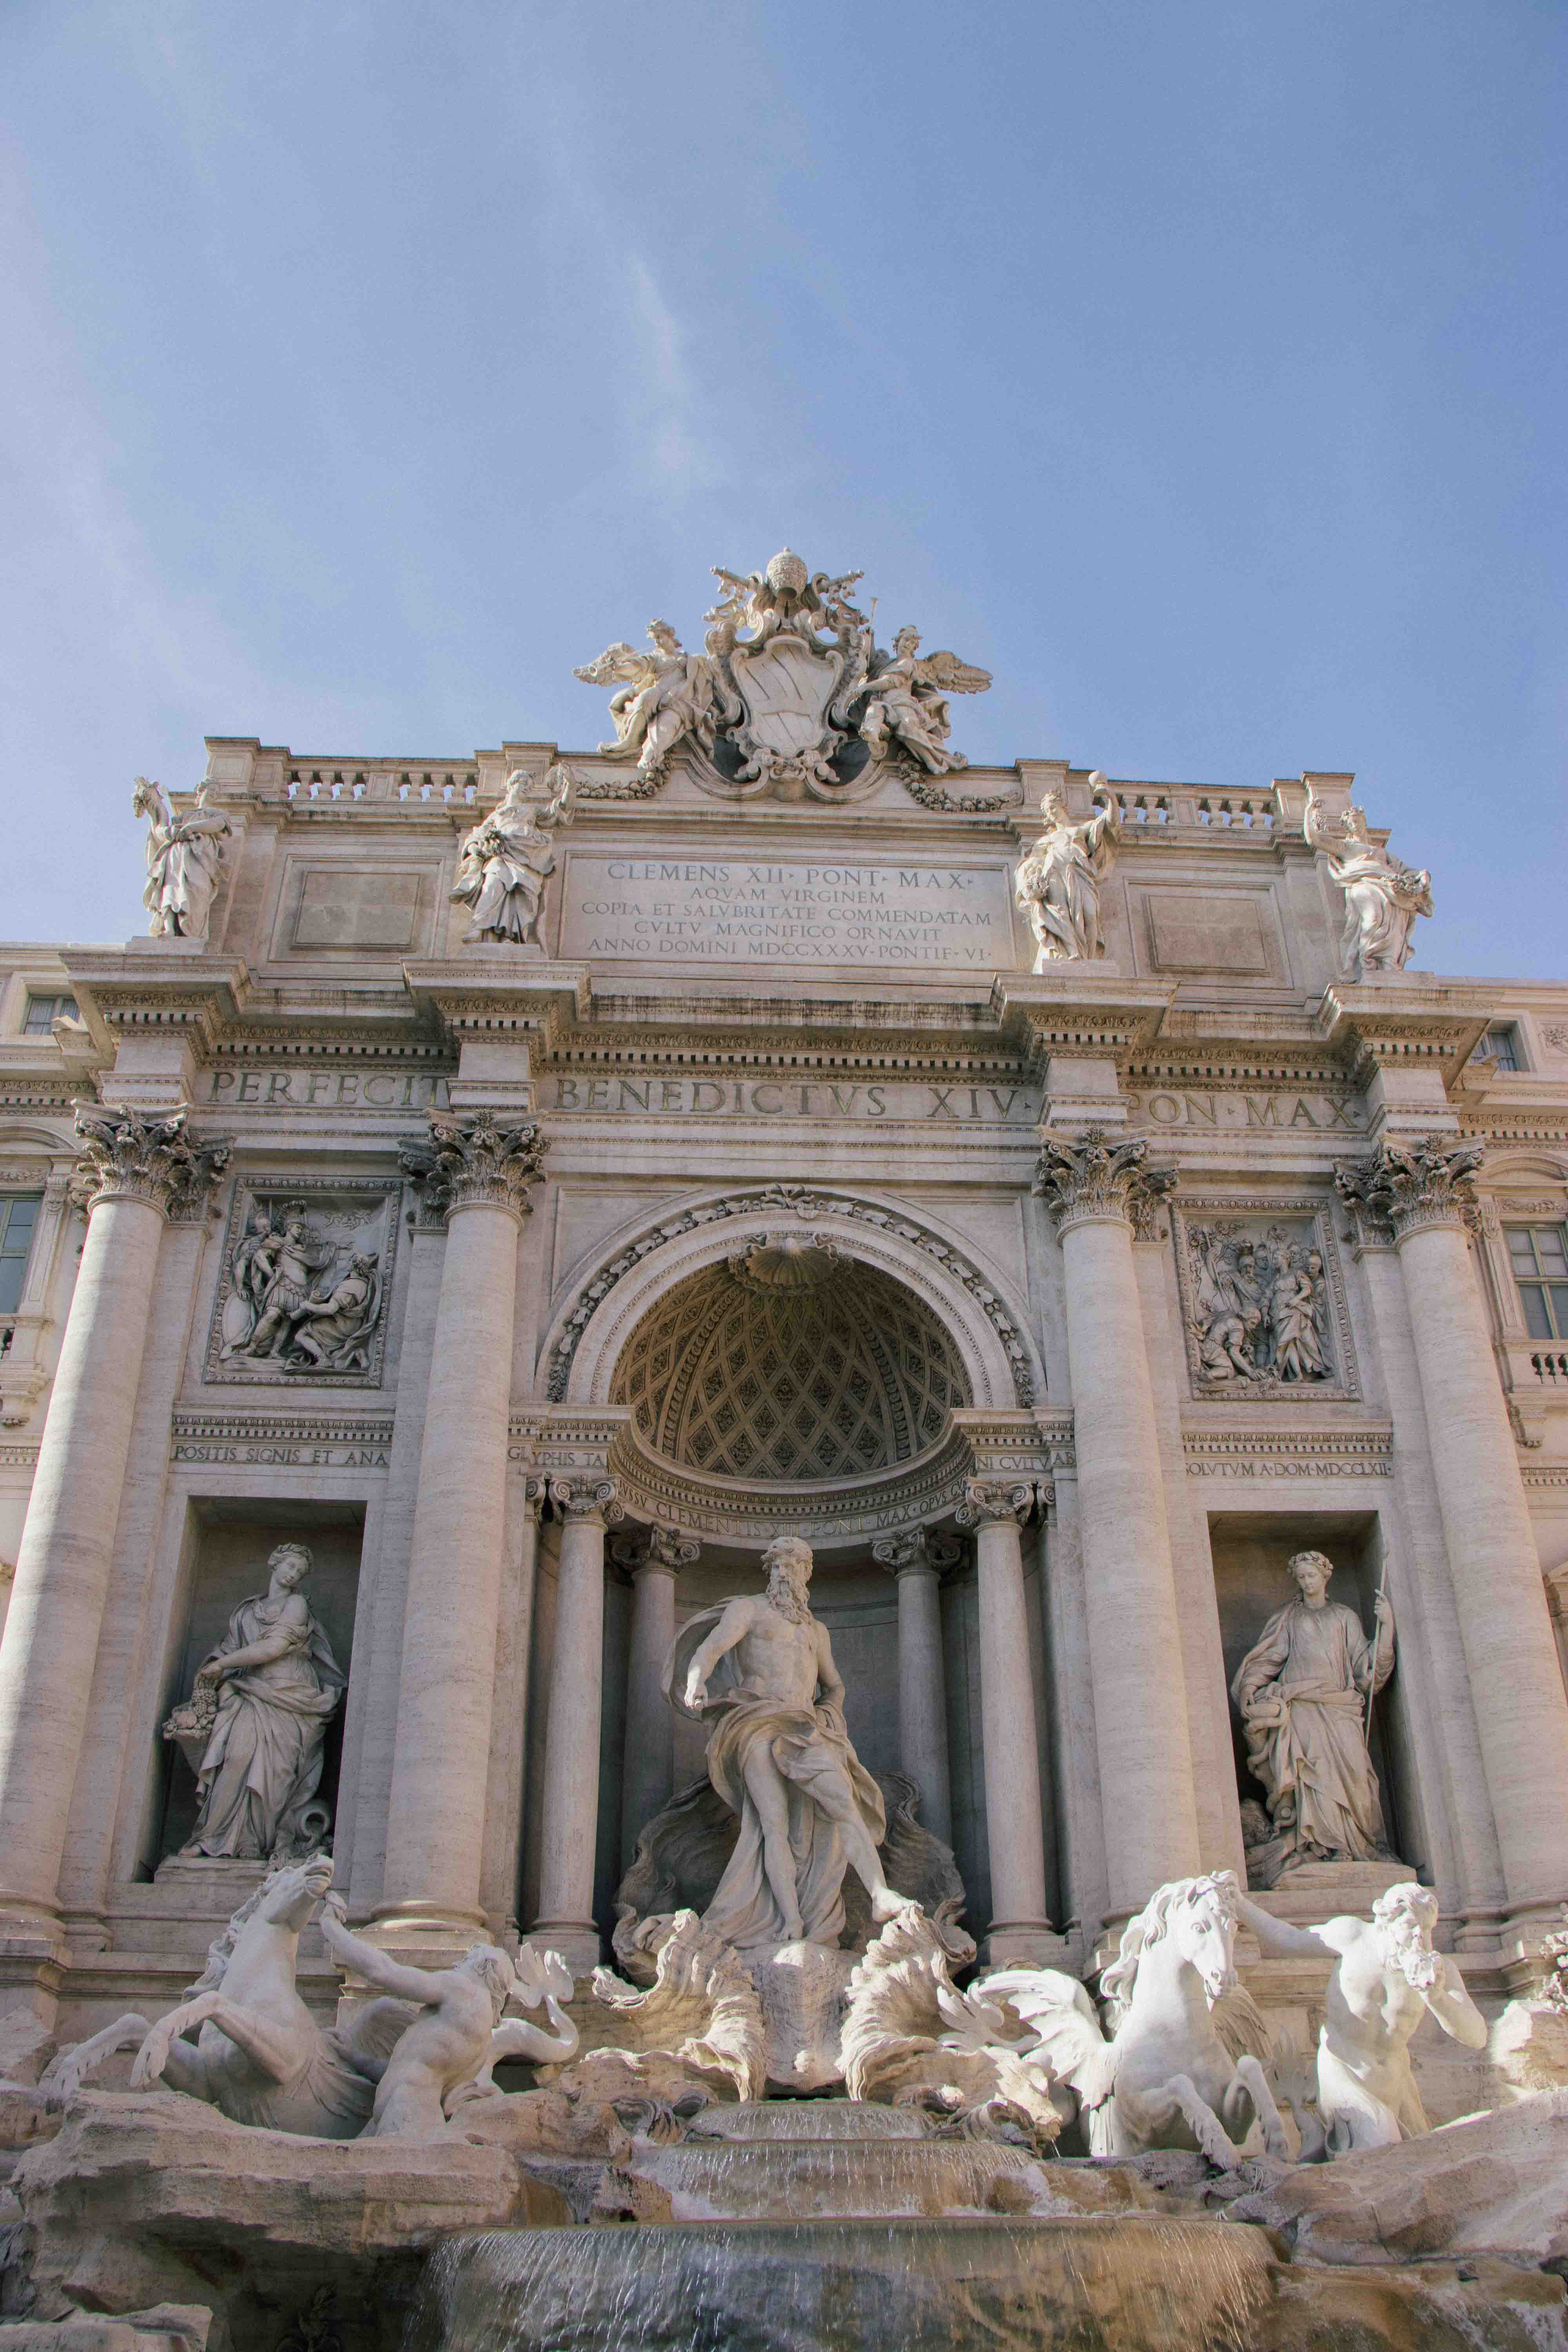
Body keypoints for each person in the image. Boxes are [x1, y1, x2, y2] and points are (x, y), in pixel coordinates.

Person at [667, 1535, 906, 1954]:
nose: (783, 1573)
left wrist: (831, 1711)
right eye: (776, 1566)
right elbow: (711, 1648)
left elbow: (833, 1685)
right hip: (756, 1721)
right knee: (771, 1823)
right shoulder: (749, 1609)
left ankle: (880, 1895)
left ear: (805, 1575)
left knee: (843, 1803)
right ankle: (790, 1919)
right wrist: (695, 1681)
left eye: (792, 1566)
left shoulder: (816, 1631)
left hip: (805, 1727)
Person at [1234, 1881, 1486, 2152]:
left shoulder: (1439, 1969)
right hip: (1344, 2071)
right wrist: (1239, 1903)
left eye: (1426, 1929)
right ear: (1386, 1921)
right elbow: (1290, 1940)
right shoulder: (1352, 1936)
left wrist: (1436, 1997)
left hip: (1397, 2081)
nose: (1419, 1937)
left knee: (1418, 2161)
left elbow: (1477, 2037)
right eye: (1411, 1925)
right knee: (1382, 2146)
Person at [1230, 1551, 1394, 1879]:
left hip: (1339, 1707)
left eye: (1312, 1576)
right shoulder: (1289, 1617)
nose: (1307, 1582)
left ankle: (1357, 1844)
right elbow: (1269, 1659)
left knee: (1355, 1776)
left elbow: (1366, 1667)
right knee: (1310, 1774)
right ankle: (1318, 1847)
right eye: (1301, 1577)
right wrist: (1250, 1685)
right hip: (1302, 1706)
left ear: (1325, 1577)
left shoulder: (1345, 1617)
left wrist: (1387, 1625)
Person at [181, 1544, 345, 1861]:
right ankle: (212, 1837)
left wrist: (224, 1665)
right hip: (250, 1692)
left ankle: (255, 1843)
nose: (293, 1574)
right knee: (237, 1757)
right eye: (290, 1566)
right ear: (275, 1562)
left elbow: (273, 1648)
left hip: (291, 1698)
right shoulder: (246, 1611)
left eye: (299, 1572)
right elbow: (229, 1648)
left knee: (277, 1774)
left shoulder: (297, 1604)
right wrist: (216, 1666)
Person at [316, 1895, 515, 2138]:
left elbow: (383, 1971)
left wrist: (332, 1929)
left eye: (466, 1959)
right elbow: (411, 2071)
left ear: (481, 1966)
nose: (457, 1965)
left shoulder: (463, 1988)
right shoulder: (481, 2044)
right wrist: (356, 2058)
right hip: (411, 2117)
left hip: (404, 2115)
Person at [1013, 777, 1122, 965]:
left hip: (1080, 876)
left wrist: (1111, 797)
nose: (1052, 813)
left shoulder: (1082, 831)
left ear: (1063, 806)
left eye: (1054, 808)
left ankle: (1087, 958)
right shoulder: (1046, 840)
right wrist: (1029, 885)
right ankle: (1071, 952)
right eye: (1048, 811)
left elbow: (1110, 823)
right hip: (1056, 878)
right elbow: (1029, 864)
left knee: (1089, 914)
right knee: (1062, 917)